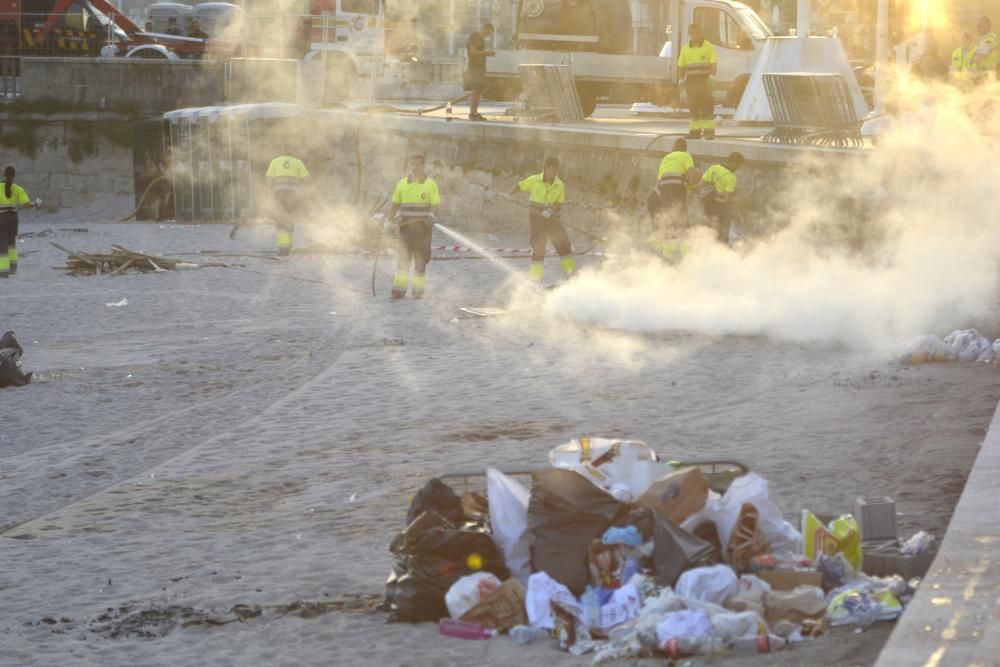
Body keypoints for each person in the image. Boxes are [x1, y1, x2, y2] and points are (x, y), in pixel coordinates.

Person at [509, 157, 576, 285]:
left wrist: (550, 210)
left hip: (552, 219)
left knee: (563, 244)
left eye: (556, 171)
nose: (553, 174)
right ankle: (536, 278)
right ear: (545, 167)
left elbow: (559, 203)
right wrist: (509, 194)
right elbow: (519, 187)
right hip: (537, 220)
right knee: (538, 248)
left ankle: (571, 274)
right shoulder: (533, 180)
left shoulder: (559, 184)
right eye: (551, 170)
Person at [386, 154, 440, 299]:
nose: (415, 167)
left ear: (423, 166)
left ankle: (417, 292)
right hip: (405, 230)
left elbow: (435, 205)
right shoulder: (402, 184)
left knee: (420, 264)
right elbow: (395, 204)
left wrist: (432, 215)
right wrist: (388, 222)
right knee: (402, 263)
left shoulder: (430, 184)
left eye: (418, 165)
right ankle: (398, 291)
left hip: (423, 231)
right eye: (413, 165)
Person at [648, 138, 698, 259]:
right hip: (676, 190)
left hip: (662, 192)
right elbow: (692, 173)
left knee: (668, 221)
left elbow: (661, 179)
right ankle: (688, 257)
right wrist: (694, 185)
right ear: (685, 148)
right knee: (682, 221)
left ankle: (666, 256)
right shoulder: (686, 156)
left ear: (673, 147)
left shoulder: (666, 158)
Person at [678, 23, 718, 140]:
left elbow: (713, 64)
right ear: (689, 34)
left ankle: (709, 132)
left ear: (701, 33)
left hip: (704, 81)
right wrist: (681, 80)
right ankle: (695, 132)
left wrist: (711, 78)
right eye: (692, 33)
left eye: (697, 32)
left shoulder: (708, 46)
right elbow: (681, 66)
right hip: (691, 82)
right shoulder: (685, 48)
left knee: (707, 107)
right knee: (693, 107)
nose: (694, 35)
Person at [265, 150, 309, 256]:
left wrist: (269, 194)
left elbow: (269, 179)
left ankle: (283, 248)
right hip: (294, 196)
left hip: (279, 195)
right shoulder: (298, 162)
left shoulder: (275, 162)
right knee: (290, 219)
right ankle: (288, 247)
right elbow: (306, 179)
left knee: (280, 221)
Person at [0, 166, 37, 278]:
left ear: (4, 174)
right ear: (14, 175)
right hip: (13, 219)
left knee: (2, 245)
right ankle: (13, 269)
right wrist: (35, 204)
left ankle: (3, 271)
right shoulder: (18, 189)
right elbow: (26, 204)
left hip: (1, 218)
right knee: (12, 244)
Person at [700, 152, 744, 244]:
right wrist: (732, 203)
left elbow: (700, 185)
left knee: (710, 229)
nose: (737, 168)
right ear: (733, 162)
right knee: (722, 232)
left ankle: (706, 249)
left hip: (708, 206)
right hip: (720, 207)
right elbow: (727, 199)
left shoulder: (714, 168)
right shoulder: (731, 177)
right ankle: (722, 251)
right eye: (738, 165)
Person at [466, 22, 495, 121]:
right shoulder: (475, 36)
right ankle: (472, 113)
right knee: (475, 90)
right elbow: (473, 52)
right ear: (484, 28)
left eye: (489, 34)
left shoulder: (480, 39)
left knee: (478, 90)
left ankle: (475, 112)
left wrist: (487, 53)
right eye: (488, 32)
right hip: (474, 67)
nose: (488, 35)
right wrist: (487, 53)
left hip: (479, 67)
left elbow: (477, 51)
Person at [972, 16, 999, 83]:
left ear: (987, 25)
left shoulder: (988, 40)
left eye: (979, 25)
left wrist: (973, 57)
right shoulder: (992, 37)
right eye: (976, 26)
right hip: (992, 75)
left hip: (988, 76)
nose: (977, 28)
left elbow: (977, 59)